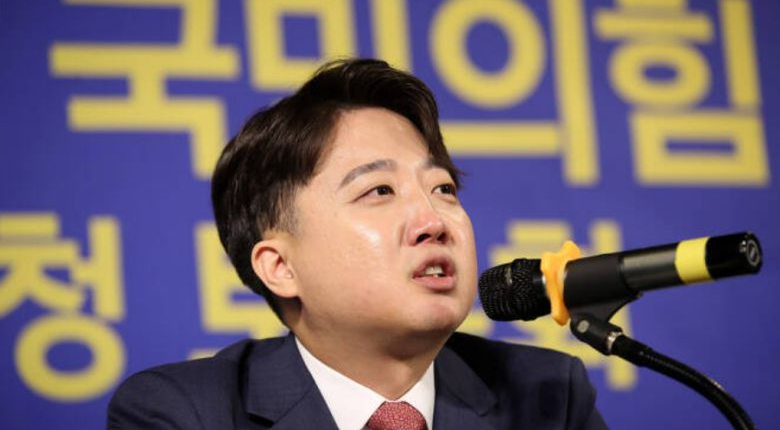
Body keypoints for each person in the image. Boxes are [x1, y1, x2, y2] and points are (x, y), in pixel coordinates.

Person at [107, 59, 607, 429]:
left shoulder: (546, 397)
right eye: (380, 191)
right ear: (280, 267)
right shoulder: (184, 412)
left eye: (443, 189)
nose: (433, 222)